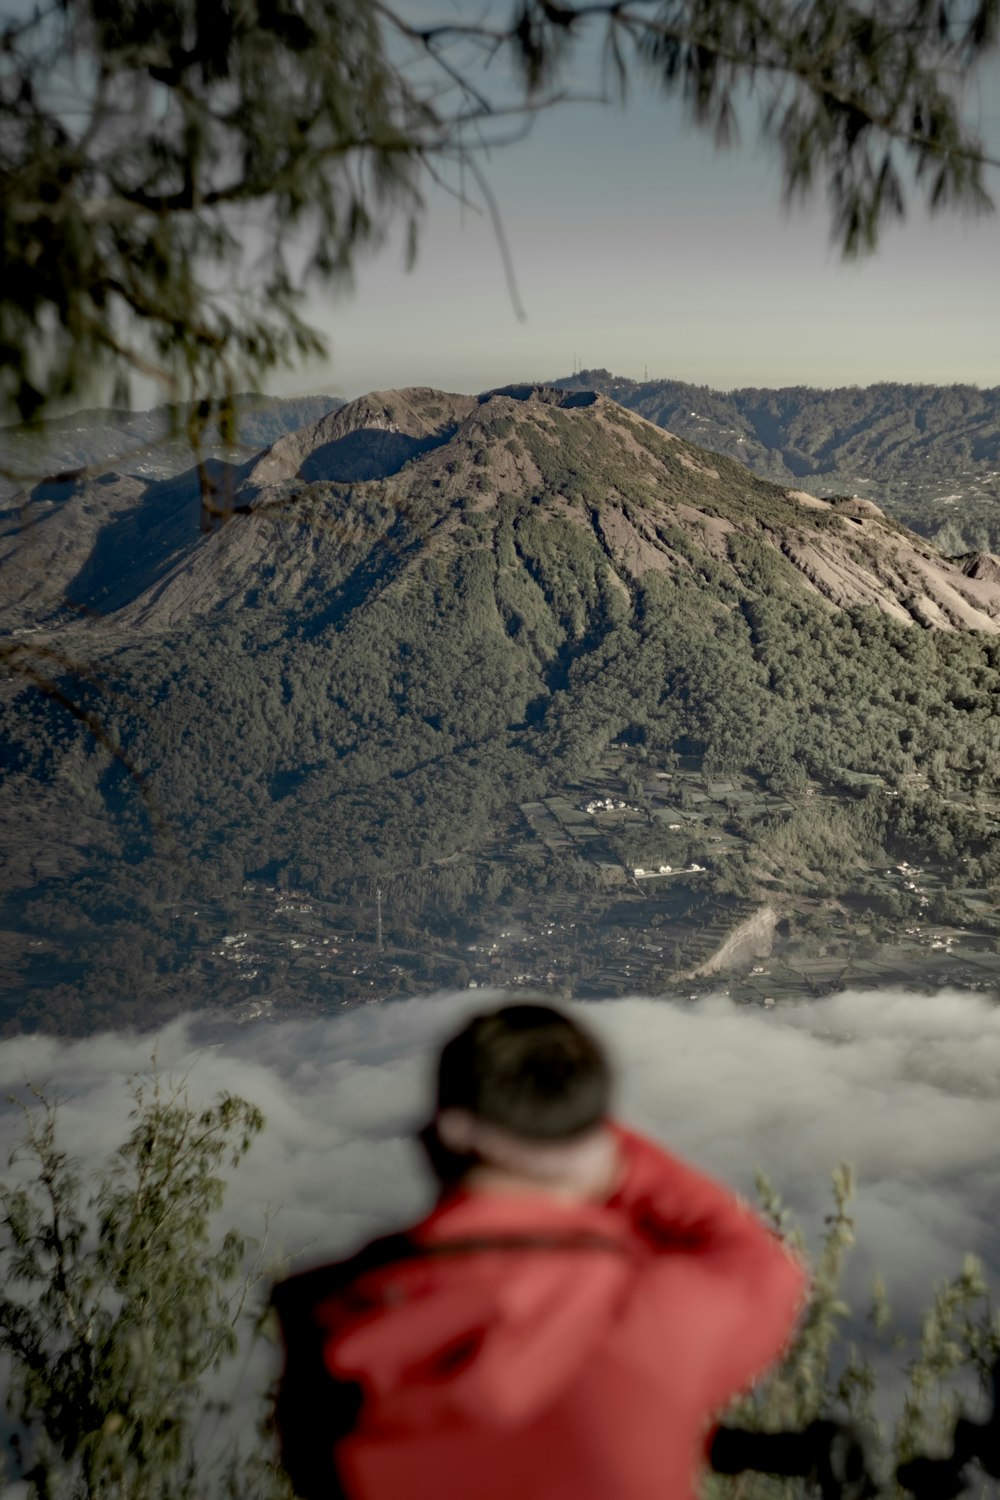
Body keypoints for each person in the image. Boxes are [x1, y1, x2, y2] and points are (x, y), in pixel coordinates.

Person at [272, 1002, 808, 1500]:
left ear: (435, 1141)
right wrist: (611, 1154)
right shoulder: (658, 1316)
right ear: (593, 1151)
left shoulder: (326, 1319)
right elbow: (760, 1265)